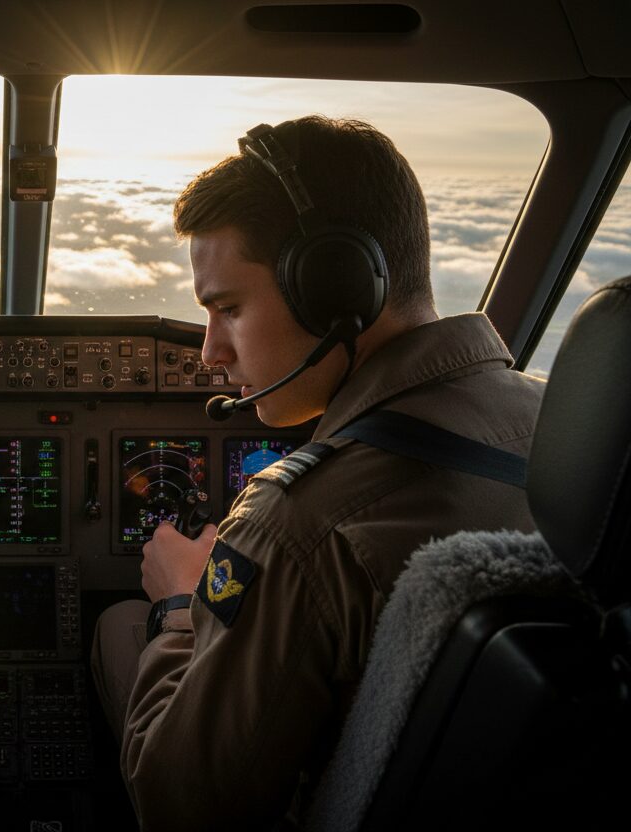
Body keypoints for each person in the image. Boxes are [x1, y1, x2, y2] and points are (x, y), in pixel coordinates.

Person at [90, 116, 545, 830]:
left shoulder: (297, 525)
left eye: (229, 309)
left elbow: (180, 808)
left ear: (334, 288)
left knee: (121, 623)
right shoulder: (567, 430)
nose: (211, 351)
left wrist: (181, 608)